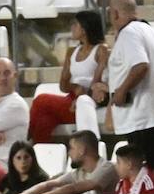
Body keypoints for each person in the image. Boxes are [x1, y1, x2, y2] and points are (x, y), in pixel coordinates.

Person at [107, 0, 154, 175]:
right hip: (153, 113)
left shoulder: (128, 33)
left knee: (148, 173)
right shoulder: (149, 30)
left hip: (141, 116)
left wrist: (121, 91)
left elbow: (140, 65)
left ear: (115, 14)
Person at [29, 10, 108, 144]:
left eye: (75, 24)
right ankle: (40, 153)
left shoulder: (101, 50)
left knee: (41, 100)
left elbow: (96, 85)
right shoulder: (72, 52)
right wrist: (75, 86)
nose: (72, 28)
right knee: (44, 120)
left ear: (84, 29)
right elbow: (63, 85)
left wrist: (82, 92)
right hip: (71, 98)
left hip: (89, 101)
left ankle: (26, 139)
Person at [11, 129, 116, 194]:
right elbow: (48, 184)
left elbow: (74, 188)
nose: (69, 153)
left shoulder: (106, 168)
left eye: (71, 148)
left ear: (82, 150)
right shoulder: (79, 172)